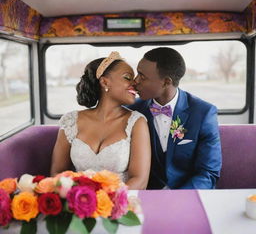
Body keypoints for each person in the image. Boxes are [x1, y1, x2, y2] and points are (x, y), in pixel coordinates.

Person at [50, 51, 151, 190]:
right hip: (80, 204)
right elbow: (57, 173)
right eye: (127, 77)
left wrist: (105, 203)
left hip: (121, 204)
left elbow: (139, 180)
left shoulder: (137, 122)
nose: (135, 83)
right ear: (104, 82)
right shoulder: (70, 121)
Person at [129, 47, 222, 189]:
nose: (135, 81)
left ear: (166, 82)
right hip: (143, 196)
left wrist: (177, 199)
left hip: (188, 196)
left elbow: (208, 172)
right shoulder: (131, 110)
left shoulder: (203, 113)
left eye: (142, 76)